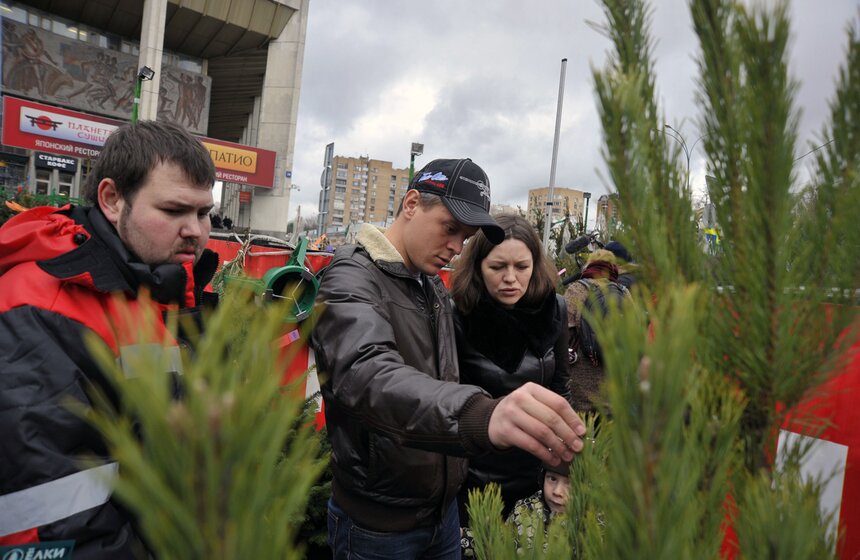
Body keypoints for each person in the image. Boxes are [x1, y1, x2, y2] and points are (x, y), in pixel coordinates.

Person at [312, 158, 586, 560]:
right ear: (411, 204)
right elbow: (367, 375)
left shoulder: (431, 287)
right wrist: (480, 414)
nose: (458, 246)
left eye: (466, 236)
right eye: (450, 228)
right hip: (380, 527)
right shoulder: (352, 279)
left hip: (443, 518)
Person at [0, 120, 218, 556]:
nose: (195, 230)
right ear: (113, 200)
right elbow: (53, 524)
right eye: (174, 211)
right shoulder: (42, 311)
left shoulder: (161, 288)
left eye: (203, 213)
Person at [450, 213, 572, 520]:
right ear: (478, 267)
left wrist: (563, 467)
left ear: (535, 266)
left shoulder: (555, 309)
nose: (510, 278)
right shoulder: (457, 316)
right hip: (475, 479)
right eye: (497, 267)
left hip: (537, 476)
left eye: (521, 266)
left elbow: (561, 388)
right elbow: (446, 404)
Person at [563, 249, 631, 413]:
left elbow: (564, 329)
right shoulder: (624, 292)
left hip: (582, 375)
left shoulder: (577, 289)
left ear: (589, 264)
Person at [460, 460, 571, 557]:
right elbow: (499, 545)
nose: (557, 491)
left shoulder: (580, 529)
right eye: (552, 479)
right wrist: (462, 536)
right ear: (543, 477)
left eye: (571, 483)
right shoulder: (524, 510)